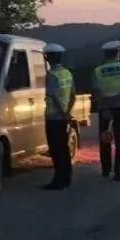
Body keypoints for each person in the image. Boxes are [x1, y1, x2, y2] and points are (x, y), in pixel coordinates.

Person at [92, 40, 120, 181]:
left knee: (105, 139)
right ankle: (118, 171)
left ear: (105, 55)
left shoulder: (98, 71)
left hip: (104, 108)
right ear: (117, 53)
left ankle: (106, 169)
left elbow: (96, 92)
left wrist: (104, 106)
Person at [43, 43, 75, 190]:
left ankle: (58, 181)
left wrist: (62, 112)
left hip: (53, 118)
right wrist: (67, 112)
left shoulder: (51, 76)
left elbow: (53, 97)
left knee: (56, 150)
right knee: (64, 149)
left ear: (48, 58)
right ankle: (67, 178)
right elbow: (73, 96)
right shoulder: (67, 73)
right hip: (63, 117)